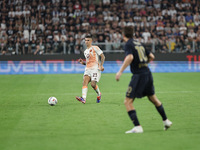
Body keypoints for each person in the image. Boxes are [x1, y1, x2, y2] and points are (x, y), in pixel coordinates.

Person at [115, 26, 172, 133]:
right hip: (147, 73)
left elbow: (130, 57)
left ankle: (137, 127)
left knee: (127, 102)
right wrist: (143, 64)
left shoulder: (128, 44)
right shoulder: (138, 43)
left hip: (139, 75)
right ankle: (166, 121)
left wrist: (120, 71)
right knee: (153, 98)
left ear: (123, 35)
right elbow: (152, 56)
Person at [76, 34, 105, 104]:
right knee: (84, 82)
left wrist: (101, 65)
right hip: (88, 69)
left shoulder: (95, 48)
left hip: (95, 69)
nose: (86, 42)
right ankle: (83, 98)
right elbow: (88, 62)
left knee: (93, 84)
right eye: (85, 40)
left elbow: (102, 56)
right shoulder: (85, 51)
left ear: (91, 41)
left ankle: (99, 94)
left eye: (88, 40)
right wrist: (83, 63)